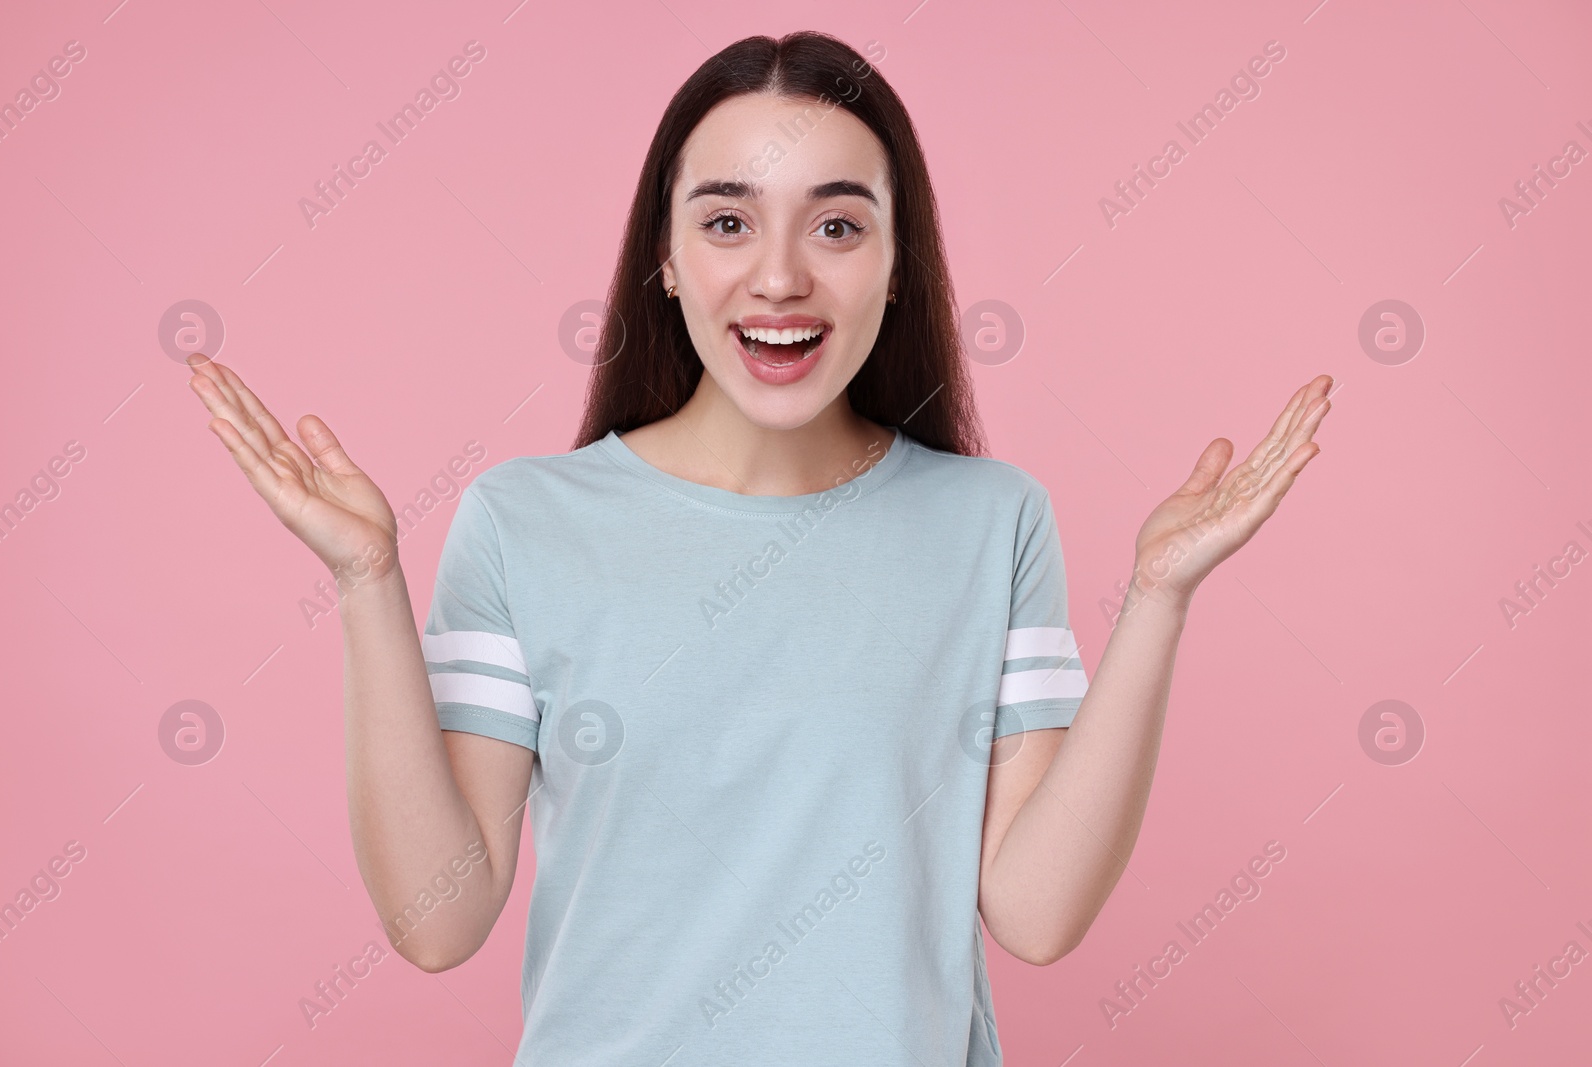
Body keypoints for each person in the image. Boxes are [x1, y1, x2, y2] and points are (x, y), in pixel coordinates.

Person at [187, 29, 1330, 1066]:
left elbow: (1035, 912)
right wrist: (365, 581)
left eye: (837, 225)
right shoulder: (523, 521)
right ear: (668, 257)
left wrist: (1158, 598)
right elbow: (438, 921)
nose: (780, 276)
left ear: (898, 262)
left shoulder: (991, 522)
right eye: (727, 221)